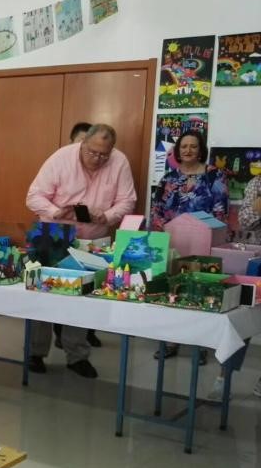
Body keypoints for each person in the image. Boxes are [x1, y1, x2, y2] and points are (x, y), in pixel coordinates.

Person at [26, 123, 137, 378]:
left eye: (104, 155)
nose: (97, 159)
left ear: (112, 150)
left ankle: (77, 355)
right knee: (42, 294)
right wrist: (55, 211)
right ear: (82, 143)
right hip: (54, 234)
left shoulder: (119, 161)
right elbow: (33, 196)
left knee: (83, 298)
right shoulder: (61, 158)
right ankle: (35, 353)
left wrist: (107, 216)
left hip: (93, 237)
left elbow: (127, 200)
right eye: (92, 152)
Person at [150, 131, 227, 365]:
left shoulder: (214, 175)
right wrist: (160, 235)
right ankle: (170, 340)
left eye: (193, 146)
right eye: (184, 146)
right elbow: (157, 210)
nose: (188, 150)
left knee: (200, 291)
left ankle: (199, 344)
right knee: (172, 290)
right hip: (174, 242)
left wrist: (214, 238)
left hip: (204, 243)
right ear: (177, 150)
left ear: (201, 150)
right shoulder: (168, 178)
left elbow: (220, 211)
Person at [52, 122, 102, 349]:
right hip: (58, 237)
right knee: (55, 288)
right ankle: (53, 337)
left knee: (86, 291)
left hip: (89, 240)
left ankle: (82, 339)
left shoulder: (102, 169)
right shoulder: (58, 164)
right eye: (81, 142)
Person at [237, 174, 261, 399]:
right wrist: (258, 207)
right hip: (258, 262)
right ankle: (224, 376)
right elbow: (244, 220)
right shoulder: (257, 183)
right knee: (242, 316)